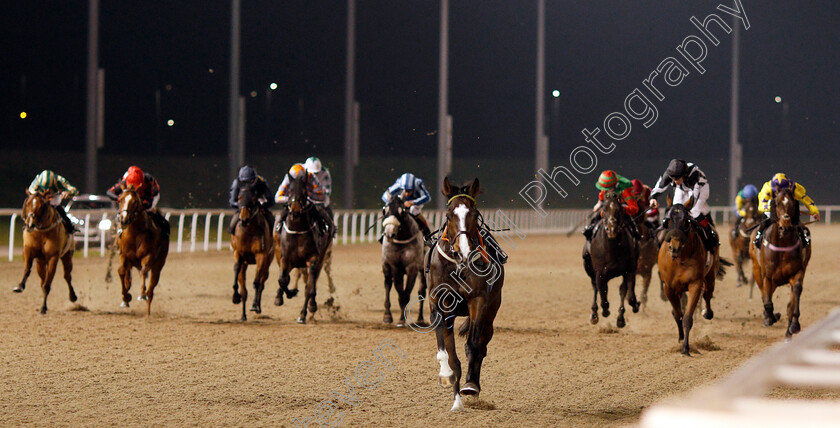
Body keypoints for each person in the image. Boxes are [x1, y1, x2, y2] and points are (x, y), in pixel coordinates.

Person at [649, 159, 718, 255]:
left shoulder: (693, 174)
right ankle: (662, 231)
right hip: (682, 188)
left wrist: (685, 211)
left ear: (684, 174)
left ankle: (710, 235)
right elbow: (659, 186)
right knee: (674, 211)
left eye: (677, 178)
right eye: (673, 179)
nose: (675, 181)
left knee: (695, 211)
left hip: (701, 189)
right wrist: (653, 198)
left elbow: (693, 197)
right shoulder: (670, 174)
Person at [275, 163, 334, 254]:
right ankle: (278, 234)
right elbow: (277, 197)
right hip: (293, 205)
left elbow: (322, 197)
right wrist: (293, 200)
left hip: (309, 204)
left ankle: (328, 230)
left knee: (322, 214)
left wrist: (309, 197)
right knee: (279, 219)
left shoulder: (311, 177)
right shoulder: (289, 178)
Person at [753, 173, 819, 248]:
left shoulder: (795, 187)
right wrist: (775, 208)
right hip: (773, 209)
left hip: (788, 209)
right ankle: (758, 237)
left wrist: (815, 211)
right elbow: (761, 206)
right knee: (764, 223)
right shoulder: (767, 188)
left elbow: (806, 199)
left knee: (798, 224)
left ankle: (803, 239)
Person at [106, 165, 169, 237]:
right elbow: (109, 192)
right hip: (134, 197)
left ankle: (161, 231)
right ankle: (117, 229)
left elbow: (148, 203)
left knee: (149, 210)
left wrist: (138, 204)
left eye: (135, 186)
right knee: (125, 208)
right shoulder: (124, 181)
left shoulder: (149, 181)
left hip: (151, 196)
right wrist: (119, 199)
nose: (134, 188)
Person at [582, 170, 640, 241]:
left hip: (622, 206)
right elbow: (602, 193)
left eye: (608, 189)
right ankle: (590, 228)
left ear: (614, 185)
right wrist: (599, 203)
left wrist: (622, 209)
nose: (605, 190)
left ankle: (636, 233)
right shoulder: (607, 185)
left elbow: (634, 208)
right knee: (597, 215)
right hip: (609, 206)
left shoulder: (625, 189)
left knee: (628, 219)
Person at [380, 173, 432, 242]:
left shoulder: (418, 183)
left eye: (409, 191)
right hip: (401, 202)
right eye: (405, 190)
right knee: (392, 211)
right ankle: (385, 233)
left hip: (415, 202)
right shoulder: (398, 184)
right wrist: (393, 202)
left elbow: (427, 197)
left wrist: (412, 202)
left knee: (413, 210)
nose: (406, 193)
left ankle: (427, 234)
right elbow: (385, 196)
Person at [228, 165, 275, 234]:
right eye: (245, 182)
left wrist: (262, 205)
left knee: (271, 221)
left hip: (259, 208)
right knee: (232, 226)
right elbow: (232, 202)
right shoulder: (236, 183)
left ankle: (273, 238)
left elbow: (271, 200)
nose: (248, 185)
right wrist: (243, 206)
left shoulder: (261, 182)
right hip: (243, 209)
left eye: (250, 181)